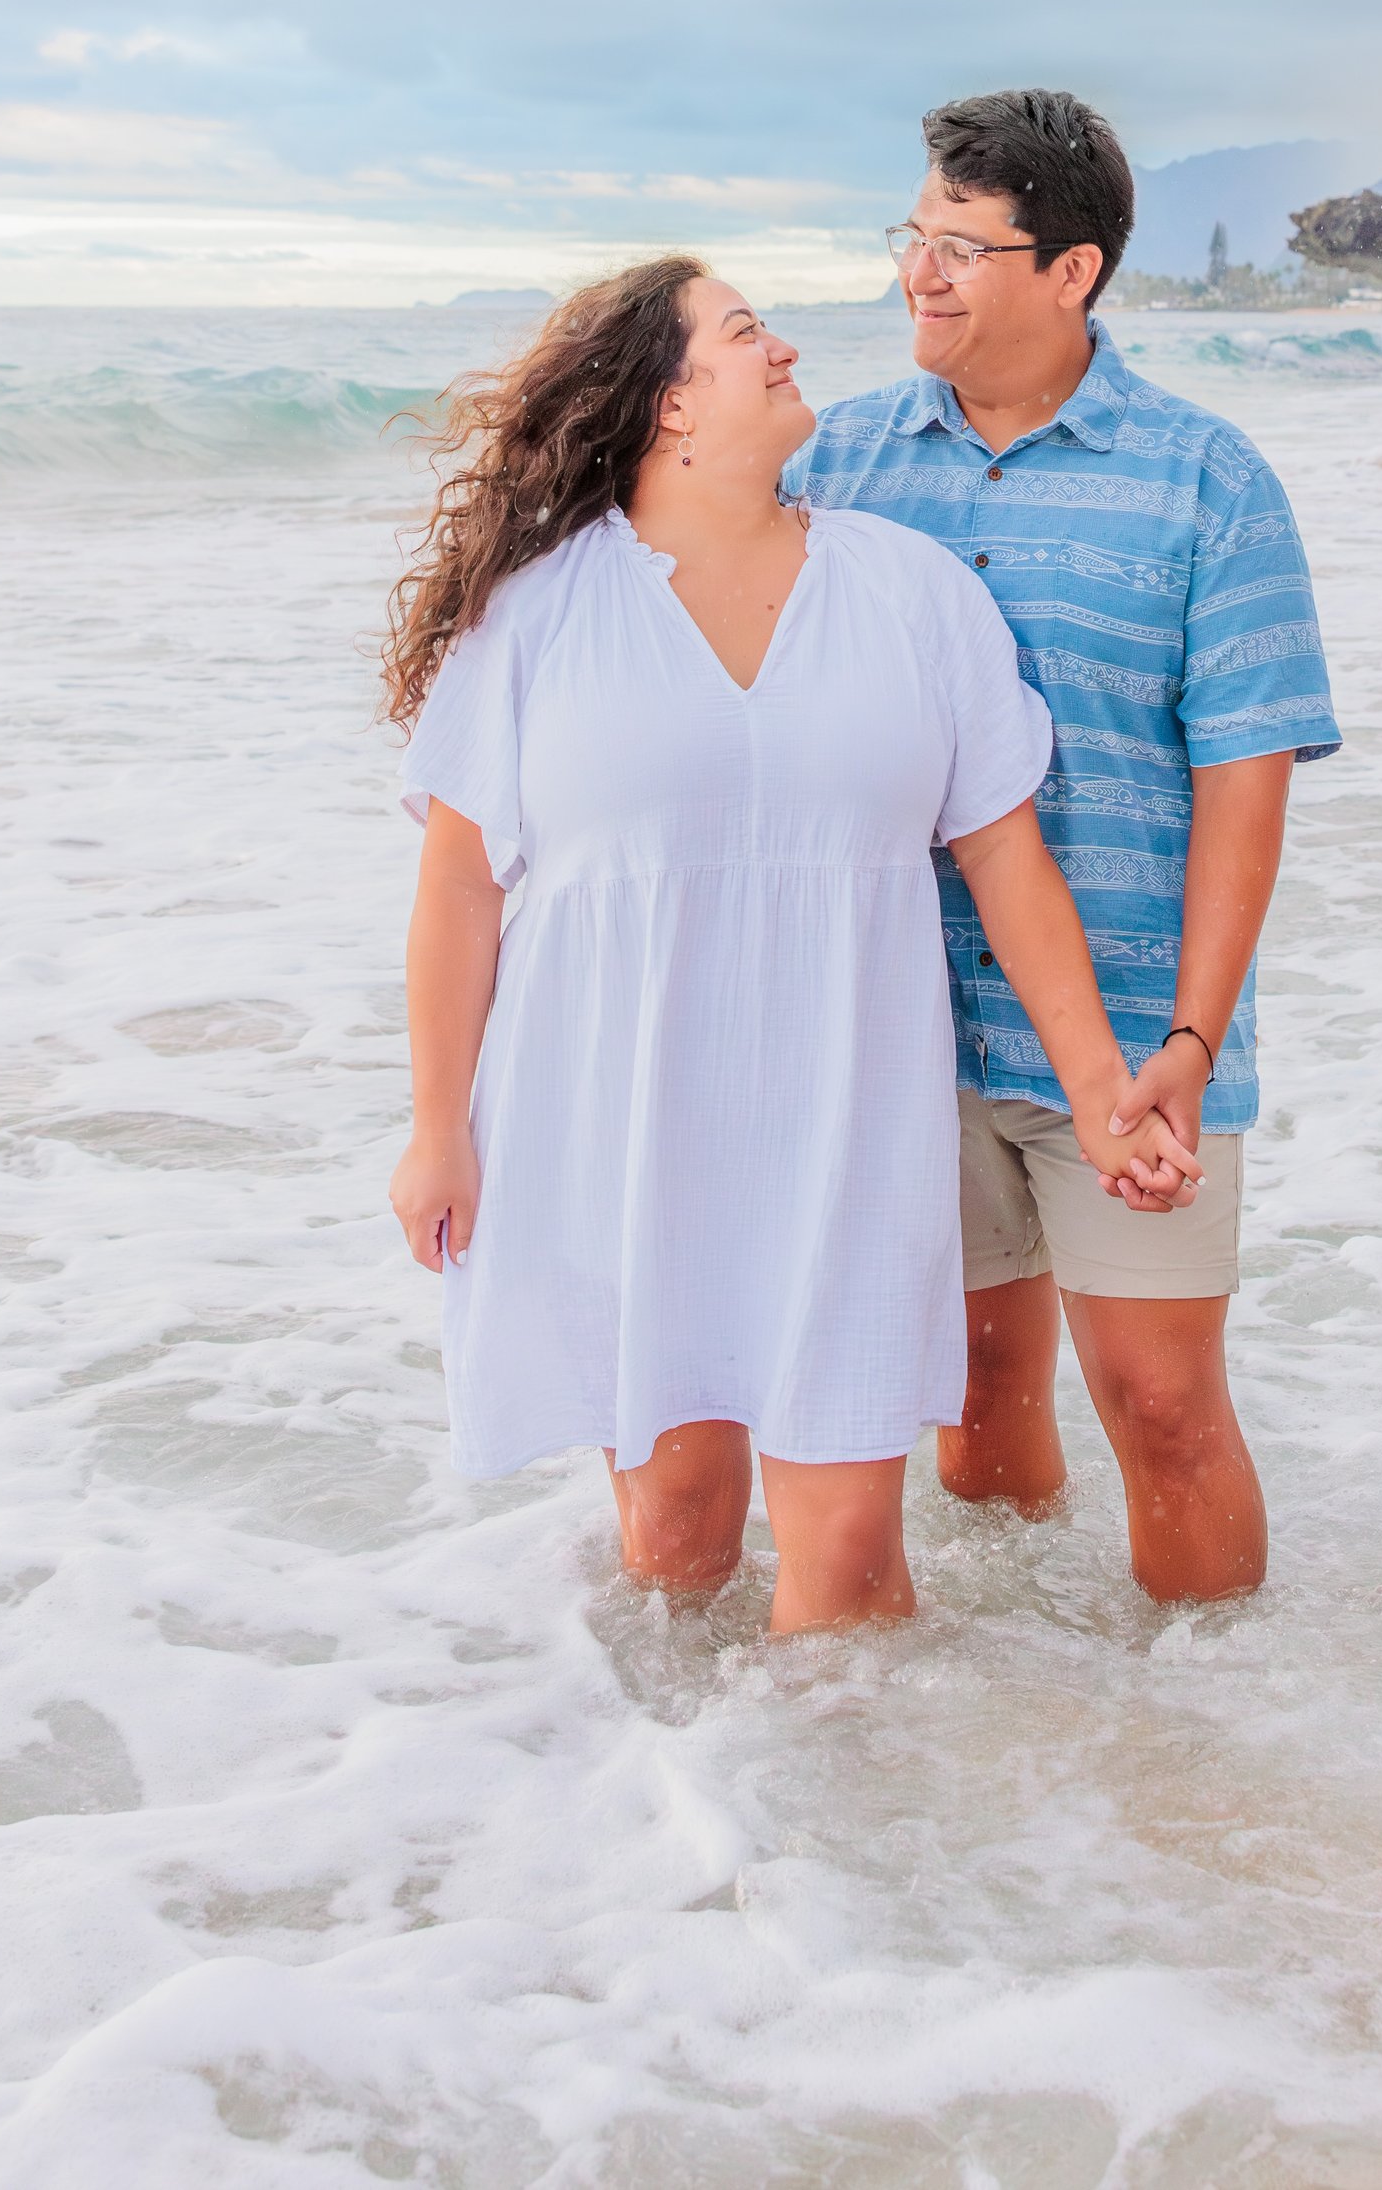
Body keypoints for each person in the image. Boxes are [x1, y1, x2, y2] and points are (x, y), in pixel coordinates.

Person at [379, 256, 1200, 1635]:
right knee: (678, 1532)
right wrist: (435, 1127)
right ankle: (687, 1817)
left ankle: (854, 1837)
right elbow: (459, 886)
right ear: (668, 403)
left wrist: (1102, 1093)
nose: (785, 350)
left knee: (854, 1562)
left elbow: (1005, 859)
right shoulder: (536, 614)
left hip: (846, 1127)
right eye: (745, 332)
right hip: (622, 1126)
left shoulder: (912, 590)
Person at [785, 92, 1341, 1604]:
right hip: (906, 1027)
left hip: (1132, 1039)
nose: (922, 275)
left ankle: (1217, 1736)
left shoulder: (1209, 482)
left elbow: (1246, 780)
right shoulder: (832, 467)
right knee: (971, 1411)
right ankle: (1035, 1753)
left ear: (1072, 271)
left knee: (1162, 1407)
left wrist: (1190, 1033)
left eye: (963, 248)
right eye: (915, 238)